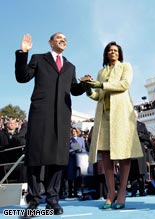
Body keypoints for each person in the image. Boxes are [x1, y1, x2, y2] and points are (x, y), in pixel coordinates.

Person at [15, 33, 85, 218]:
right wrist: (23, 52)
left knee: (58, 158)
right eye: (59, 38)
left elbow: (75, 89)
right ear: (50, 42)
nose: (63, 40)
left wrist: (85, 84)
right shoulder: (39, 59)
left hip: (62, 116)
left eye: (66, 39)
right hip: (41, 113)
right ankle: (34, 200)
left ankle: (53, 199)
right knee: (35, 156)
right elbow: (22, 77)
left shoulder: (70, 66)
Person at [81, 41, 143, 210]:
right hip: (105, 116)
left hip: (121, 115)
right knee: (106, 154)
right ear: (106, 54)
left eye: (115, 50)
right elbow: (98, 95)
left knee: (123, 154)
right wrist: (88, 89)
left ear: (119, 53)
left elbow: (124, 85)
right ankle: (111, 192)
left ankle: (122, 190)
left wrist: (100, 85)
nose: (113, 52)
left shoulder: (125, 67)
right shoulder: (101, 72)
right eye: (110, 50)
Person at [0, 118, 27, 183]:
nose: (11, 125)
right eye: (10, 123)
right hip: (5, 159)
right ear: (7, 124)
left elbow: (23, 143)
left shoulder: (20, 134)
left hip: (18, 159)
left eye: (13, 123)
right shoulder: (1, 134)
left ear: (16, 124)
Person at [67, 127, 86, 198]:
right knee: (70, 176)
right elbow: (67, 150)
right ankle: (70, 193)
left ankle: (75, 192)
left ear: (77, 132)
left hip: (79, 159)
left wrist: (81, 151)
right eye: (72, 131)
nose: (73, 132)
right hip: (71, 159)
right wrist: (73, 151)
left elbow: (84, 148)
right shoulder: (69, 139)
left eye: (75, 131)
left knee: (77, 176)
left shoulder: (81, 139)